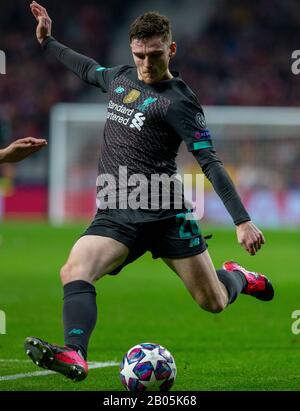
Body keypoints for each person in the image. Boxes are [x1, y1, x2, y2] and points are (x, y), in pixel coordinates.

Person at [25, 1, 274, 382]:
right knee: (75, 269)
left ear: (170, 50)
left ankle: (238, 276)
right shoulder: (121, 77)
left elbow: (210, 162)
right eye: (139, 54)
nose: (146, 63)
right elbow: (87, 68)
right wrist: (48, 42)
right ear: (131, 50)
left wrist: (242, 221)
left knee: (214, 302)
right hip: (117, 212)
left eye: (154, 54)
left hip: (165, 213)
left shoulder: (180, 102)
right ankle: (75, 353)